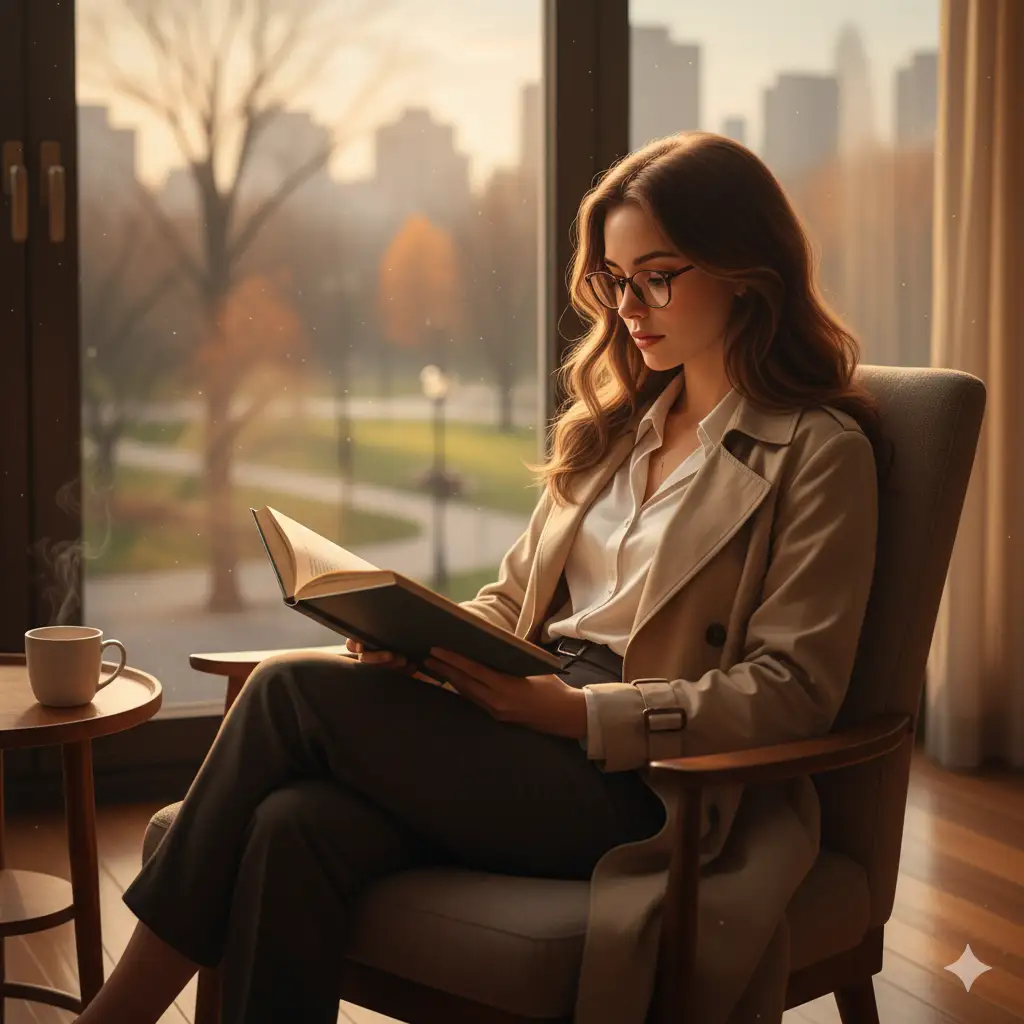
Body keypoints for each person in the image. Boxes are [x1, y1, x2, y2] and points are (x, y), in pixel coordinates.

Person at [76, 131, 886, 1024]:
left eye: (657, 276)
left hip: (647, 777)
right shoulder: (619, 429)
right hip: (531, 719)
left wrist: (577, 712)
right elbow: (512, 600)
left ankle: (115, 1017)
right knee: (289, 828)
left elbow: (793, 691)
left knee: (284, 695)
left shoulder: (818, 454)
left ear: (745, 266)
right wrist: (417, 639)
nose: (629, 308)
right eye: (615, 281)